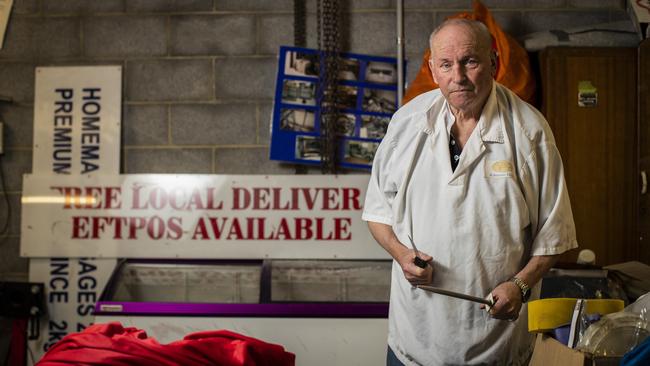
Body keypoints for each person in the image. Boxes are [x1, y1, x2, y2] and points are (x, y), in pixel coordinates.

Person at [362, 18, 577, 365]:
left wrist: (520, 287)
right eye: (446, 65)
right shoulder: (406, 124)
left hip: (495, 340)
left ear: (493, 63)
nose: (457, 76)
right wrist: (401, 254)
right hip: (413, 340)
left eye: (470, 62)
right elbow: (377, 214)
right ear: (433, 69)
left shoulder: (529, 132)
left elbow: (555, 235)